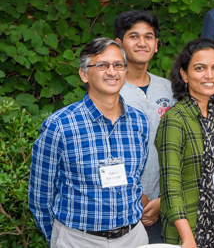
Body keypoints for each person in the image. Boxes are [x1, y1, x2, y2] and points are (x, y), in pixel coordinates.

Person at [29, 38, 150, 247]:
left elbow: (135, 178)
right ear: (84, 74)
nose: (112, 72)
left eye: (118, 65)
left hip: (134, 238)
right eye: (102, 65)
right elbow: (40, 197)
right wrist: (59, 237)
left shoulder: (139, 121)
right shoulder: (60, 125)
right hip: (79, 240)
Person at [156, 38, 214, 248]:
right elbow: (171, 186)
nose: (209, 75)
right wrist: (188, 239)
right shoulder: (175, 120)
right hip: (186, 232)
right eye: (200, 68)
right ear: (184, 74)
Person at [114, 10, 176, 243]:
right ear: (119, 44)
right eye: (134, 36)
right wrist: (137, 198)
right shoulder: (111, 91)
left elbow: (179, 147)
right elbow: (106, 154)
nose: (142, 43)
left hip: (164, 205)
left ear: (157, 44)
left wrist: (163, 199)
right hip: (121, 209)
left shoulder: (169, 89)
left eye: (148, 37)